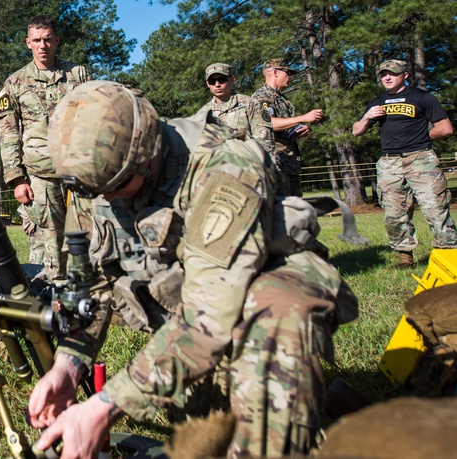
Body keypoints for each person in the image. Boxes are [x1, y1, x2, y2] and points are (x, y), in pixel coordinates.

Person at [28, 80, 357, 459]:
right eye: (93, 190)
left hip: (262, 292)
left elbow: (211, 316)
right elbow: (97, 284)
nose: (105, 199)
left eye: (115, 186)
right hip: (192, 307)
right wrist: (70, 364)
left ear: (147, 155)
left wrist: (106, 404)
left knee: (276, 309)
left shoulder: (224, 166)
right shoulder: (102, 179)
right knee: (211, 437)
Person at [0, 16, 90, 279]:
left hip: (78, 174)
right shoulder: (15, 83)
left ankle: (88, 294)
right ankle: (55, 298)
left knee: (86, 236)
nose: (43, 45)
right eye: (37, 40)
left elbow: (96, 119)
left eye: (48, 39)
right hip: (40, 176)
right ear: (28, 43)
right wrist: (16, 179)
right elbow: (8, 134)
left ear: (57, 40)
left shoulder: (78, 75)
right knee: (50, 241)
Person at [351, 59, 457, 268]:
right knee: (393, 212)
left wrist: (422, 139)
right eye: (383, 74)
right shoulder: (377, 102)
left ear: (405, 75)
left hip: (421, 160)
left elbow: (445, 128)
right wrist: (367, 117)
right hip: (390, 163)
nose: (387, 78)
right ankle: (405, 258)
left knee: (435, 208)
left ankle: (449, 257)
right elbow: (356, 130)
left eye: (392, 73)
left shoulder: (422, 97)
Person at [252, 58, 324, 196]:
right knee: (280, 212)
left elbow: (284, 127)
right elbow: (268, 123)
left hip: (289, 164)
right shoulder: (262, 97)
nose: (291, 77)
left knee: (295, 211)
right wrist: (303, 118)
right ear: (275, 72)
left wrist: (298, 129)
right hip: (274, 164)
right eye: (288, 72)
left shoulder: (282, 99)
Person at [200, 62, 274, 155]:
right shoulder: (203, 113)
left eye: (222, 80)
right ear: (207, 84)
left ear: (232, 79)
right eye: (212, 81)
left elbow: (264, 141)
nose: (217, 84)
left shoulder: (250, 104)